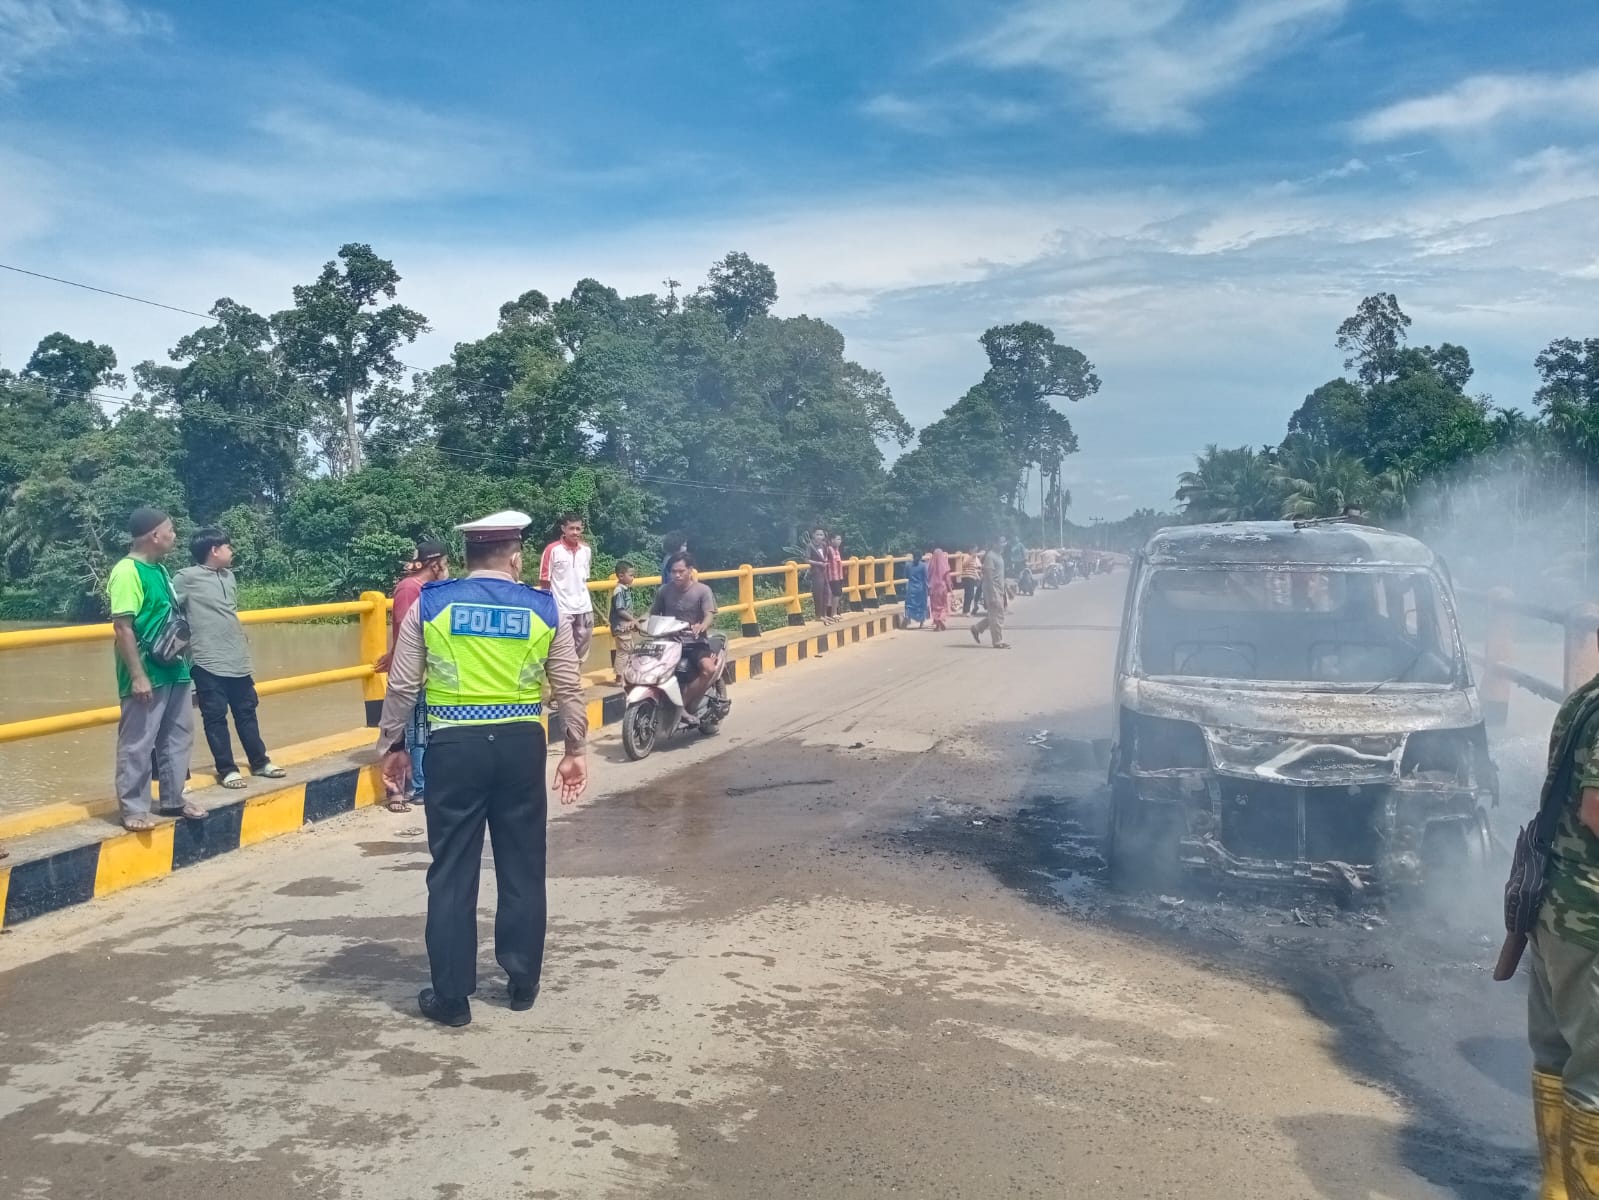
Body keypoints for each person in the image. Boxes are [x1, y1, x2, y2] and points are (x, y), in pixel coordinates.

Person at [377, 509, 588, 1027]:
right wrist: (575, 749)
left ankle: (452, 997)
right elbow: (567, 683)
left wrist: (394, 744)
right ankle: (521, 981)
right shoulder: (543, 609)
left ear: (466, 555)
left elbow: (403, 685)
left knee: (451, 871)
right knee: (522, 863)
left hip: (453, 745)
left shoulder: (430, 604)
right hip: (520, 745)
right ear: (516, 557)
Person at [1526, 639, 1599, 1196]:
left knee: (1556, 1055)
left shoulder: (1586, 698)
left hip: (1554, 907)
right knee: (1595, 1078)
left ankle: (1557, 1190)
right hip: (1591, 920)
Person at [108, 507, 201, 832]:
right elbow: (123, 627)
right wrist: (137, 675)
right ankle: (133, 807)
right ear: (154, 536)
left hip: (175, 669)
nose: (174, 535)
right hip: (148, 672)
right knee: (138, 741)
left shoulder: (160, 570)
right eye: (170, 530)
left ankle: (173, 798)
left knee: (178, 737)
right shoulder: (126, 571)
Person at [173, 527, 287, 791]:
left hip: (237, 658)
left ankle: (260, 761)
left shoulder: (230, 576)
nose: (231, 551)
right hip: (206, 660)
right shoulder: (185, 578)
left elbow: (230, 612)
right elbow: (171, 611)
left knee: (247, 711)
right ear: (214, 550)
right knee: (215, 716)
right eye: (228, 546)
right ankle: (227, 769)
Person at [376, 539, 450, 813]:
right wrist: (397, 655)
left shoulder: (428, 588)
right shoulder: (410, 589)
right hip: (412, 672)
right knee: (410, 732)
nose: (448, 568)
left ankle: (419, 786)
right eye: (446, 563)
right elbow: (409, 631)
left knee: (419, 730)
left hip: (425, 670)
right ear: (436, 564)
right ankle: (408, 790)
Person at [649, 552, 720, 716]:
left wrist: (702, 625)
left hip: (695, 642)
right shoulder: (664, 591)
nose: (677, 575)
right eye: (673, 571)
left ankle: (681, 705)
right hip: (669, 642)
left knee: (708, 669)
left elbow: (709, 614)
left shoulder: (703, 590)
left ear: (690, 570)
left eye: (681, 571)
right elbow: (652, 614)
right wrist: (637, 622)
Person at [540, 513, 595, 668]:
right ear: (563, 529)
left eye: (578, 528)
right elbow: (545, 581)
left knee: (582, 648)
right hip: (562, 608)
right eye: (571, 528)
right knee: (562, 648)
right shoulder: (552, 550)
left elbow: (584, 578)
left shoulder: (586, 551)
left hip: (584, 607)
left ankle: (573, 677)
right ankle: (562, 680)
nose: (575, 532)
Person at [971, 537, 1011, 649]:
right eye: (1002, 542)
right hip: (991, 590)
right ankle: (998, 641)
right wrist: (993, 593)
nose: (1004, 544)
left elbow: (999, 575)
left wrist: (1006, 589)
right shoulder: (990, 556)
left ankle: (977, 628)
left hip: (999, 589)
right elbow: (988, 576)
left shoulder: (999, 556)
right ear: (995, 543)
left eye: (1005, 542)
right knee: (997, 616)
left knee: (996, 615)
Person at [608, 560, 639, 683]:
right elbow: (620, 610)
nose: (633, 578)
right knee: (623, 651)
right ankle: (619, 678)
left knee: (627, 649)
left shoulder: (624, 589)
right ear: (621, 576)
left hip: (624, 626)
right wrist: (633, 620)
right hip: (621, 627)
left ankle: (623, 675)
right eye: (631, 575)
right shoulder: (619, 591)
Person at [807, 527, 834, 625]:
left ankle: (824, 614)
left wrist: (825, 561)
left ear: (824, 536)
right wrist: (819, 563)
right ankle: (818, 615)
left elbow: (826, 556)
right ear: (813, 535)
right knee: (818, 594)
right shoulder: (810, 546)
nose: (819, 536)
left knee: (826, 593)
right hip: (816, 572)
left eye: (821, 535)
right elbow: (807, 559)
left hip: (824, 571)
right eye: (817, 534)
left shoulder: (824, 545)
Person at [927, 543, 954, 632]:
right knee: (943, 606)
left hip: (933, 588)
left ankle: (937, 623)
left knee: (935, 606)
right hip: (942, 588)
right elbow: (947, 578)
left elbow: (928, 576)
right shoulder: (944, 564)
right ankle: (940, 620)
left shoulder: (931, 564)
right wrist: (951, 590)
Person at [904, 550, 929, 628]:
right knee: (921, 605)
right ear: (921, 557)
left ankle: (907, 618)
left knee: (909, 604)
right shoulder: (923, 565)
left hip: (911, 587)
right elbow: (925, 578)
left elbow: (906, 576)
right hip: (921, 588)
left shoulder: (908, 565)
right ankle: (921, 623)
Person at [827, 533, 847, 616]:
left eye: (840, 539)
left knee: (836, 594)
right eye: (838, 539)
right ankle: (833, 613)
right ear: (832, 540)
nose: (840, 541)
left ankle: (833, 612)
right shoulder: (829, 549)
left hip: (839, 576)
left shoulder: (837, 550)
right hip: (832, 576)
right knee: (836, 594)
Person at [961, 546, 984, 616]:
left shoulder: (975, 558)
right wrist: (971, 557)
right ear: (970, 549)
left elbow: (978, 567)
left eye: (976, 551)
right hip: (967, 576)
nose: (975, 552)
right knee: (968, 594)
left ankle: (966, 611)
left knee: (970, 595)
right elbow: (964, 564)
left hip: (972, 577)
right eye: (974, 550)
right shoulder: (966, 556)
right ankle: (966, 611)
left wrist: (978, 577)